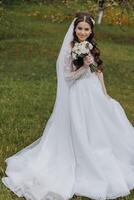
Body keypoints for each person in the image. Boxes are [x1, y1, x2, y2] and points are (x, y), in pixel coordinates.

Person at [2, 12, 134, 200]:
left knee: (102, 122)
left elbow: (99, 71)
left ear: (91, 30)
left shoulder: (92, 46)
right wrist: (83, 67)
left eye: (86, 29)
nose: (82, 32)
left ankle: (102, 152)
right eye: (79, 28)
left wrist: (104, 93)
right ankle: (82, 155)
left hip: (93, 90)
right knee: (80, 126)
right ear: (75, 29)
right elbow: (67, 76)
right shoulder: (70, 48)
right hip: (78, 93)